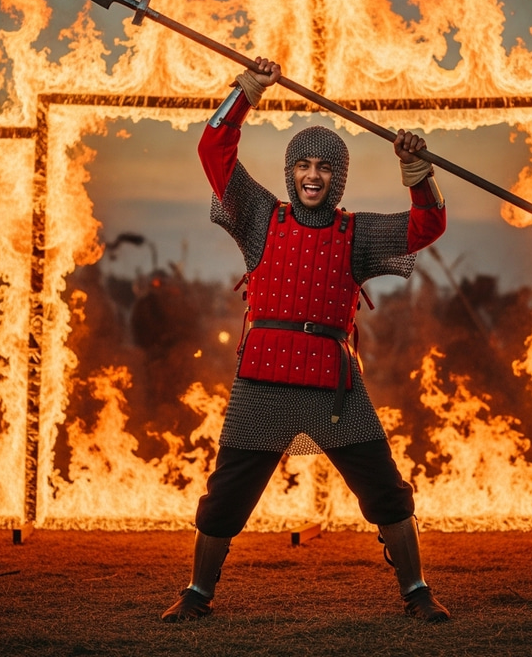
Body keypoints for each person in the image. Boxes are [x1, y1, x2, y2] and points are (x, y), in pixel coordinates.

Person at [162, 57, 449, 623]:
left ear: (337, 176)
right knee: (225, 499)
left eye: (323, 167)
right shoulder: (260, 218)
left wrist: (418, 172)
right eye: (303, 166)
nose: (312, 175)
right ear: (291, 172)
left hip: (333, 390)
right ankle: (197, 594)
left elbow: (427, 227)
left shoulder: (358, 232)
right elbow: (213, 150)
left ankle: (416, 590)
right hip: (262, 386)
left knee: (387, 493)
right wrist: (246, 90)